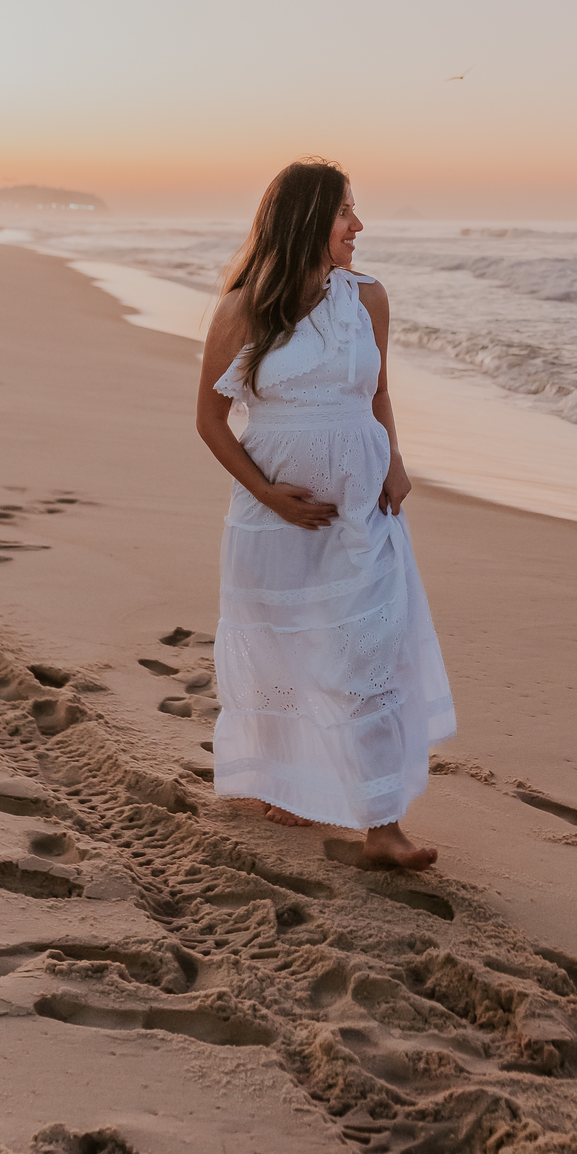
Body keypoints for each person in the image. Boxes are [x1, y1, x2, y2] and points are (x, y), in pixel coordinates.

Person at [196, 159, 455, 870]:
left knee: (366, 650)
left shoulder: (368, 299)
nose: (358, 226)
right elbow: (211, 420)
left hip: (360, 504)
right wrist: (268, 494)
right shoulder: (242, 309)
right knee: (280, 649)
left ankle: (383, 827)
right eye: (345, 212)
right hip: (271, 517)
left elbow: (377, 392)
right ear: (306, 220)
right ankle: (286, 782)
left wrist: (395, 458)